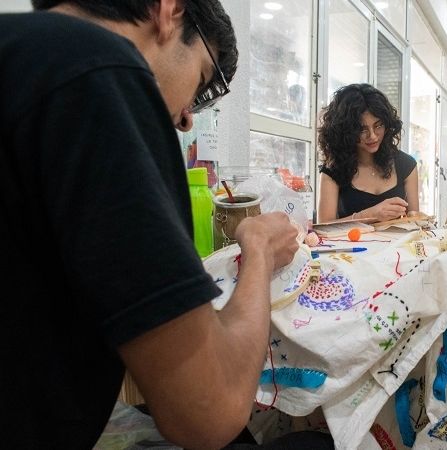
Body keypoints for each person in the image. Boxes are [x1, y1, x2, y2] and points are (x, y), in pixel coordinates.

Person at [1, 1, 300, 448]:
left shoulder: (19, 51)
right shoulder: (100, 73)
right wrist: (257, 250)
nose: (185, 119)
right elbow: (208, 412)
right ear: (168, 11)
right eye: (201, 84)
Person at [317, 83, 419, 222]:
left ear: (387, 124)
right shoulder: (333, 170)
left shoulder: (406, 165)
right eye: (362, 129)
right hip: (350, 244)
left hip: (398, 244)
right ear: (346, 131)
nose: (372, 136)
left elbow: (415, 222)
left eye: (378, 125)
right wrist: (370, 215)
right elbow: (323, 227)